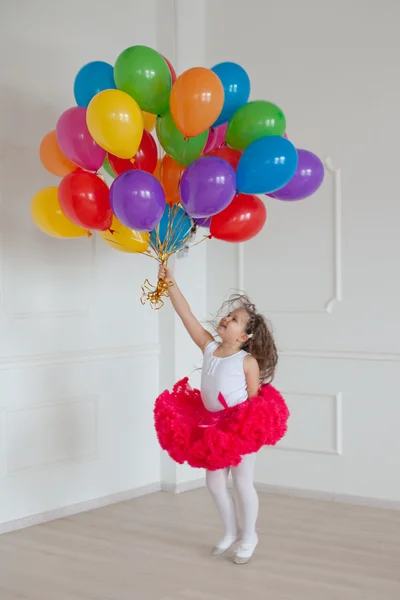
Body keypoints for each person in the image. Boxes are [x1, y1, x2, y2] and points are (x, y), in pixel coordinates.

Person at [154, 265, 289, 565]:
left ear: (244, 336)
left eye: (236, 320)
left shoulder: (247, 361)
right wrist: (171, 283)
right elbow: (186, 315)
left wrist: (249, 432)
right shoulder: (209, 346)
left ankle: (249, 535)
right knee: (214, 484)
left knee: (242, 483)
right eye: (229, 315)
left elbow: (254, 401)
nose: (226, 318)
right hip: (211, 428)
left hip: (240, 428)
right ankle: (231, 531)